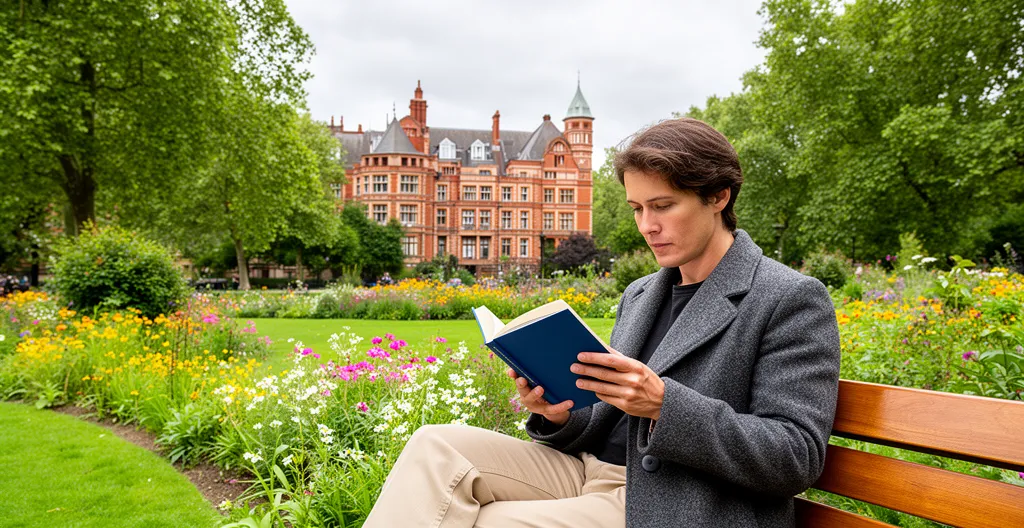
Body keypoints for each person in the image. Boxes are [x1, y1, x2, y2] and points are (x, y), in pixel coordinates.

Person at [363, 118, 841, 527]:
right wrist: (560, 412)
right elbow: (602, 421)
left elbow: (795, 456)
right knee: (434, 445)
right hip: (591, 471)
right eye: (637, 208)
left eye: (662, 206)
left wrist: (664, 405)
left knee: (485, 522)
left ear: (719, 196)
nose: (646, 226)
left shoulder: (788, 298)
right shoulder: (641, 294)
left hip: (678, 499)